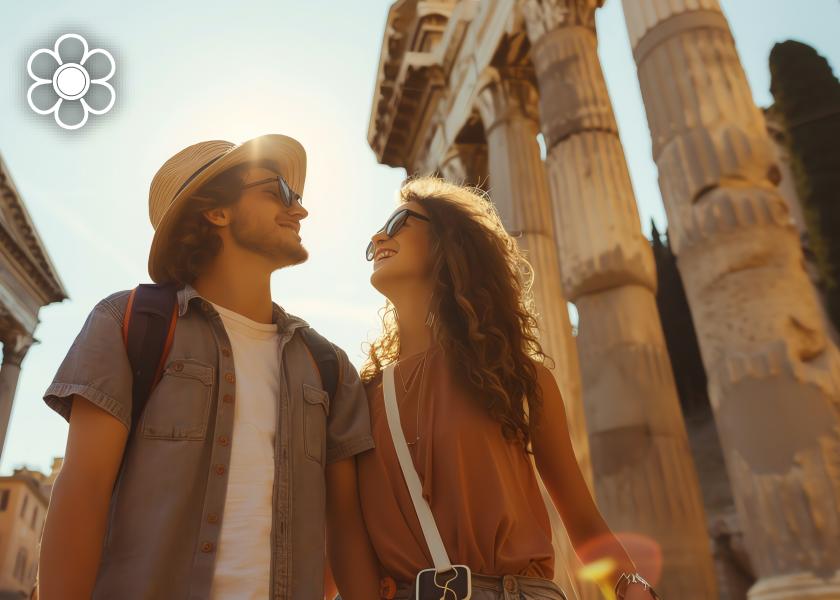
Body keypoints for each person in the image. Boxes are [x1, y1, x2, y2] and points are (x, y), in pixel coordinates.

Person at [38, 134, 380, 600]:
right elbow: (83, 491)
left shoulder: (328, 366)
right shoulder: (129, 322)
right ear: (216, 212)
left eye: (297, 197)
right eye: (278, 191)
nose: (300, 211)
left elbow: (345, 529)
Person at [353, 177, 660, 600]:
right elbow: (343, 537)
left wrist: (629, 585)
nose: (377, 237)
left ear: (450, 242)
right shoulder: (358, 396)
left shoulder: (518, 378)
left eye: (399, 221)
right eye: (375, 237)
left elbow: (581, 516)